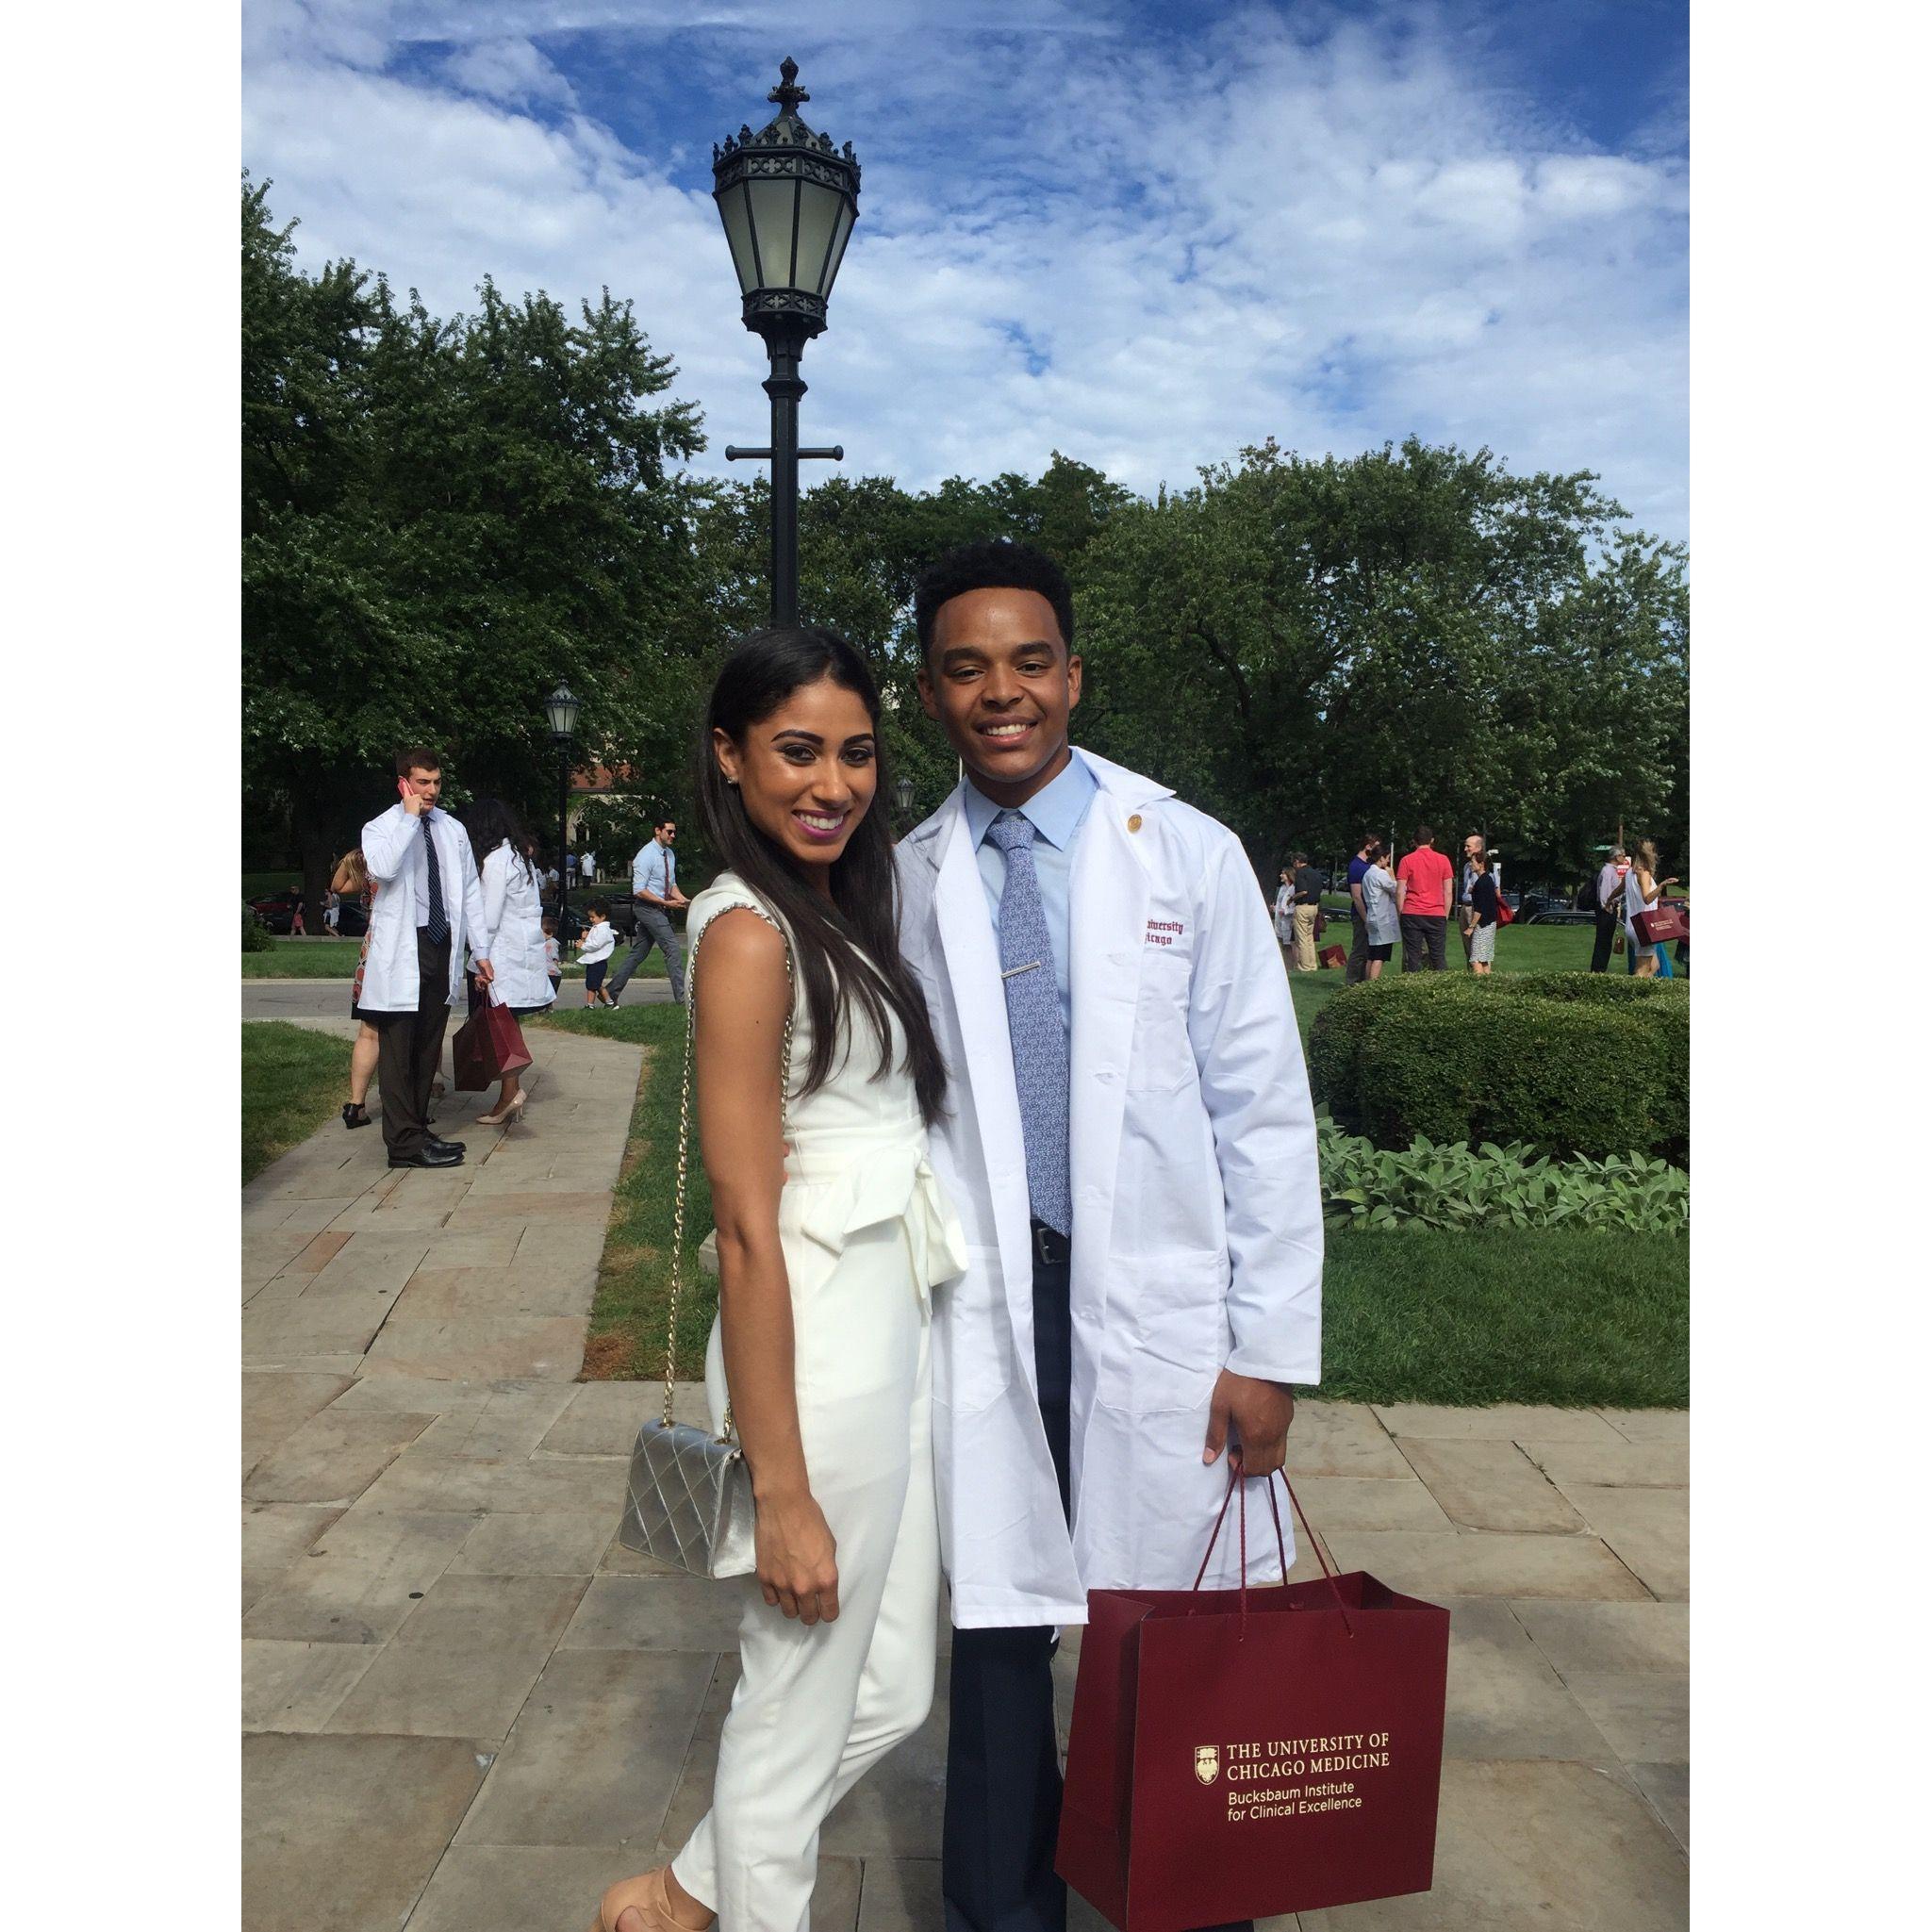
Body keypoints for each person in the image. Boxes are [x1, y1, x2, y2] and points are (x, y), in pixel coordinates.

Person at [897, 538, 1322, 1932]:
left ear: (1073, 676)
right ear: (929, 693)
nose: (1000, 692)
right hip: (985, 1298)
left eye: (1028, 662)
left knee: (1167, 1628)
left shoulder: (1185, 853)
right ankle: (1000, 1911)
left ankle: (1185, 1897)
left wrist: (1267, 1350)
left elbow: (1263, 1111)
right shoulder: (907, 876)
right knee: (999, 1630)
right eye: (966, 667)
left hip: (1161, 1310)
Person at [591, 628, 965, 1932]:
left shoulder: (827, 908)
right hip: (817, 1336)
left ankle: (684, 1892)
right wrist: (782, 1485)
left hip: (889, 1319)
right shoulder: (745, 932)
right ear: (730, 756)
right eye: (796, 751)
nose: (832, 783)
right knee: (793, 1703)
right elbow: (747, 1229)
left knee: (891, 1687)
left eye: (855, 753)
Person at [356, 747, 492, 1168]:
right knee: (399, 1047)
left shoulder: (452, 829)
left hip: (443, 943)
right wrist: (410, 819)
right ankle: (402, 1143)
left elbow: (470, 890)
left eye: (436, 783)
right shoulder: (381, 828)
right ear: (404, 783)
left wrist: (481, 950)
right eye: (422, 783)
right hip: (404, 945)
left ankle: (416, 1128)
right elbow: (383, 870)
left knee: (428, 1043)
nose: (431, 791)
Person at [466, 798, 554, 1128]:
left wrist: (478, 958)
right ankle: (508, 1093)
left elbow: (487, 917)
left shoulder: (497, 860)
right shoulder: (521, 858)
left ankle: (510, 1092)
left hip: (500, 950)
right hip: (523, 949)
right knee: (507, 1021)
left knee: (498, 1022)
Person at [607, 817, 689, 1005]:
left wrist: (683, 900)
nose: (673, 835)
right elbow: (639, 890)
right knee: (673, 949)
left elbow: (671, 884)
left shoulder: (669, 854)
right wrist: (666, 903)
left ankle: (611, 991)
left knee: (639, 952)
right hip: (647, 908)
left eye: (674, 832)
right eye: (669, 831)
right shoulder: (645, 856)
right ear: (657, 831)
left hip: (660, 908)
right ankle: (683, 999)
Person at [333, 847, 379, 1129]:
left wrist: (352, 857)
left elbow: (337, 886)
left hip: (373, 950)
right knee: (412, 1030)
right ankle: (412, 1104)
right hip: (409, 949)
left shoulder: (371, 869)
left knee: (369, 1032)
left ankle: (356, 1103)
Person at [1396, 825, 1454, 970]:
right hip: (1436, 913)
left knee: (1413, 957)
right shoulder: (1443, 860)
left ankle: (1413, 988)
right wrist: (1445, 914)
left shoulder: (1406, 860)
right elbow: (1448, 891)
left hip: (1412, 911)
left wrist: (1401, 912)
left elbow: (1400, 890)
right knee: (1438, 956)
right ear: (1432, 840)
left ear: (1414, 841)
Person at [1623, 839, 1679, 979]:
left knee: (1654, 967)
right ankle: (1631, 996)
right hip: (1645, 928)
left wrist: (1608, 901)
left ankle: (1646, 996)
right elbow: (1647, 898)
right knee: (1641, 970)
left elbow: (1618, 890)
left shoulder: (1630, 873)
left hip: (1632, 926)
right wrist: (1661, 886)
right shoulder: (1644, 873)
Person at [1360, 838, 1401, 980]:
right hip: (1383, 918)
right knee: (1380, 956)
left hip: (1372, 915)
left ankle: (1367, 983)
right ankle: (1372, 984)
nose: (1388, 862)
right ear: (1382, 858)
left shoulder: (1367, 874)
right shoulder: (1381, 874)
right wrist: (1392, 876)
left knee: (1372, 954)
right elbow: (1395, 889)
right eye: (1387, 859)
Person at [1344, 834, 1377, 983]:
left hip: (1372, 912)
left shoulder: (1369, 865)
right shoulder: (1356, 866)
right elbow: (1357, 896)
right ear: (1368, 846)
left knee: (1369, 950)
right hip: (1361, 914)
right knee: (1359, 949)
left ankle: (1363, 980)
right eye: (1376, 846)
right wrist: (1365, 919)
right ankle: (1352, 981)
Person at [1589, 848, 1627, 972]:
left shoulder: (1612, 871)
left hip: (1610, 908)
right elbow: (1605, 891)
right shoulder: (1607, 871)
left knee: (1606, 940)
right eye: (1622, 855)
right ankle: (1598, 968)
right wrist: (1607, 907)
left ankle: (1601, 967)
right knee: (1603, 940)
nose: (1624, 858)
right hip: (1606, 910)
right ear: (1616, 857)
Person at [576, 901, 618, 1007]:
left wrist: (583, 945)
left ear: (603, 916)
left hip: (599, 962)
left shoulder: (603, 930)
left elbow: (596, 945)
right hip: (593, 961)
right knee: (592, 984)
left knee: (594, 984)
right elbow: (592, 943)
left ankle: (607, 1002)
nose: (591, 919)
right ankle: (596, 1003)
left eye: (593, 917)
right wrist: (584, 939)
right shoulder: (596, 928)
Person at [1466, 849, 1501, 975]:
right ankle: (1489, 985)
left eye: (1473, 862)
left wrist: (1471, 927)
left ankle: (1479, 986)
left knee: (1475, 959)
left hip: (1483, 925)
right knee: (1485, 959)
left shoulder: (1482, 882)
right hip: (1491, 923)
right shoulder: (1488, 880)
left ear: (1481, 865)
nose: (1471, 864)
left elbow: (1479, 910)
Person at [1456, 832, 1485, 967]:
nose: (1465, 849)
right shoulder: (1467, 867)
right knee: (1468, 948)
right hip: (1465, 907)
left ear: (1478, 848)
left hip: (1477, 909)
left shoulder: (1485, 868)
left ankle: (1482, 979)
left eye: (1469, 846)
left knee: (1478, 951)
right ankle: (1471, 978)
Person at [1290, 851, 1322, 970]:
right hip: (1314, 907)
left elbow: (1303, 891)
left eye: (1294, 862)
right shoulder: (1316, 874)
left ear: (1297, 861)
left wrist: (1292, 898)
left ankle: (1305, 965)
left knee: (1302, 938)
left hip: (1303, 907)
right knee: (1309, 937)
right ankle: (1312, 964)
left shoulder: (1300, 873)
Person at [1272, 867, 1295, 966]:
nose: (1281, 875)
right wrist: (1275, 908)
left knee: (1287, 943)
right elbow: (1281, 902)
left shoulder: (1293, 889)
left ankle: (1289, 964)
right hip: (1279, 919)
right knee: (1280, 942)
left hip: (1287, 920)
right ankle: (1283, 964)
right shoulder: (1282, 888)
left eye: (1283, 874)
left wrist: (1285, 911)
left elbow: (1293, 906)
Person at [542, 915, 563, 999]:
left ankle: (549, 1009)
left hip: (551, 973)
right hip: (544, 972)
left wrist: (555, 967)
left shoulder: (552, 943)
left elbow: (555, 958)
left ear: (550, 934)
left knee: (549, 994)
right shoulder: (543, 942)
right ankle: (546, 1009)